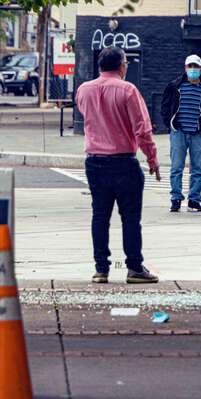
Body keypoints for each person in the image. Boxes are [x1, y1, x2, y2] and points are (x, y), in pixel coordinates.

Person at [76, 46, 162, 284]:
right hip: (124, 162)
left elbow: (87, 117)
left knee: (100, 215)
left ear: (100, 66)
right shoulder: (128, 90)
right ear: (122, 66)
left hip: (94, 162)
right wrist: (152, 159)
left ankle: (101, 268)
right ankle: (134, 267)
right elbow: (142, 129)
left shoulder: (83, 90)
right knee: (131, 218)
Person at [160, 54, 201, 213]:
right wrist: (170, 123)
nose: (193, 69)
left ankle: (194, 200)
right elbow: (165, 107)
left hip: (198, 134)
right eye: (190, 66)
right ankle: (176, 199)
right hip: (178, 132)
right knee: (176, 167)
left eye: (196, 67)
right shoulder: (175, 86)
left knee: (198, 169)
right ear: (185, 68)